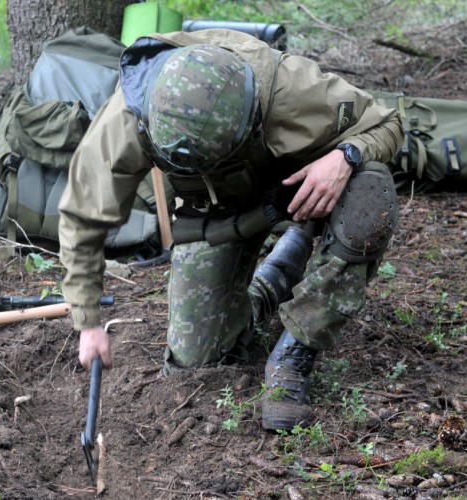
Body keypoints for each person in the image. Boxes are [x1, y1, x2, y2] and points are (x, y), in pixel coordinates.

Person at [58, 29, 403, 430]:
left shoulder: (293, 90)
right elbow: (83, 216)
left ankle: (296, 350)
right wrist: (88, 323)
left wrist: (345, 157)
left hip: (302, 186)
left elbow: (389, 122)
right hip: (220, 211)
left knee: (369, 194)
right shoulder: (127, 119)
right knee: (196, 361)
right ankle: (278, 276)